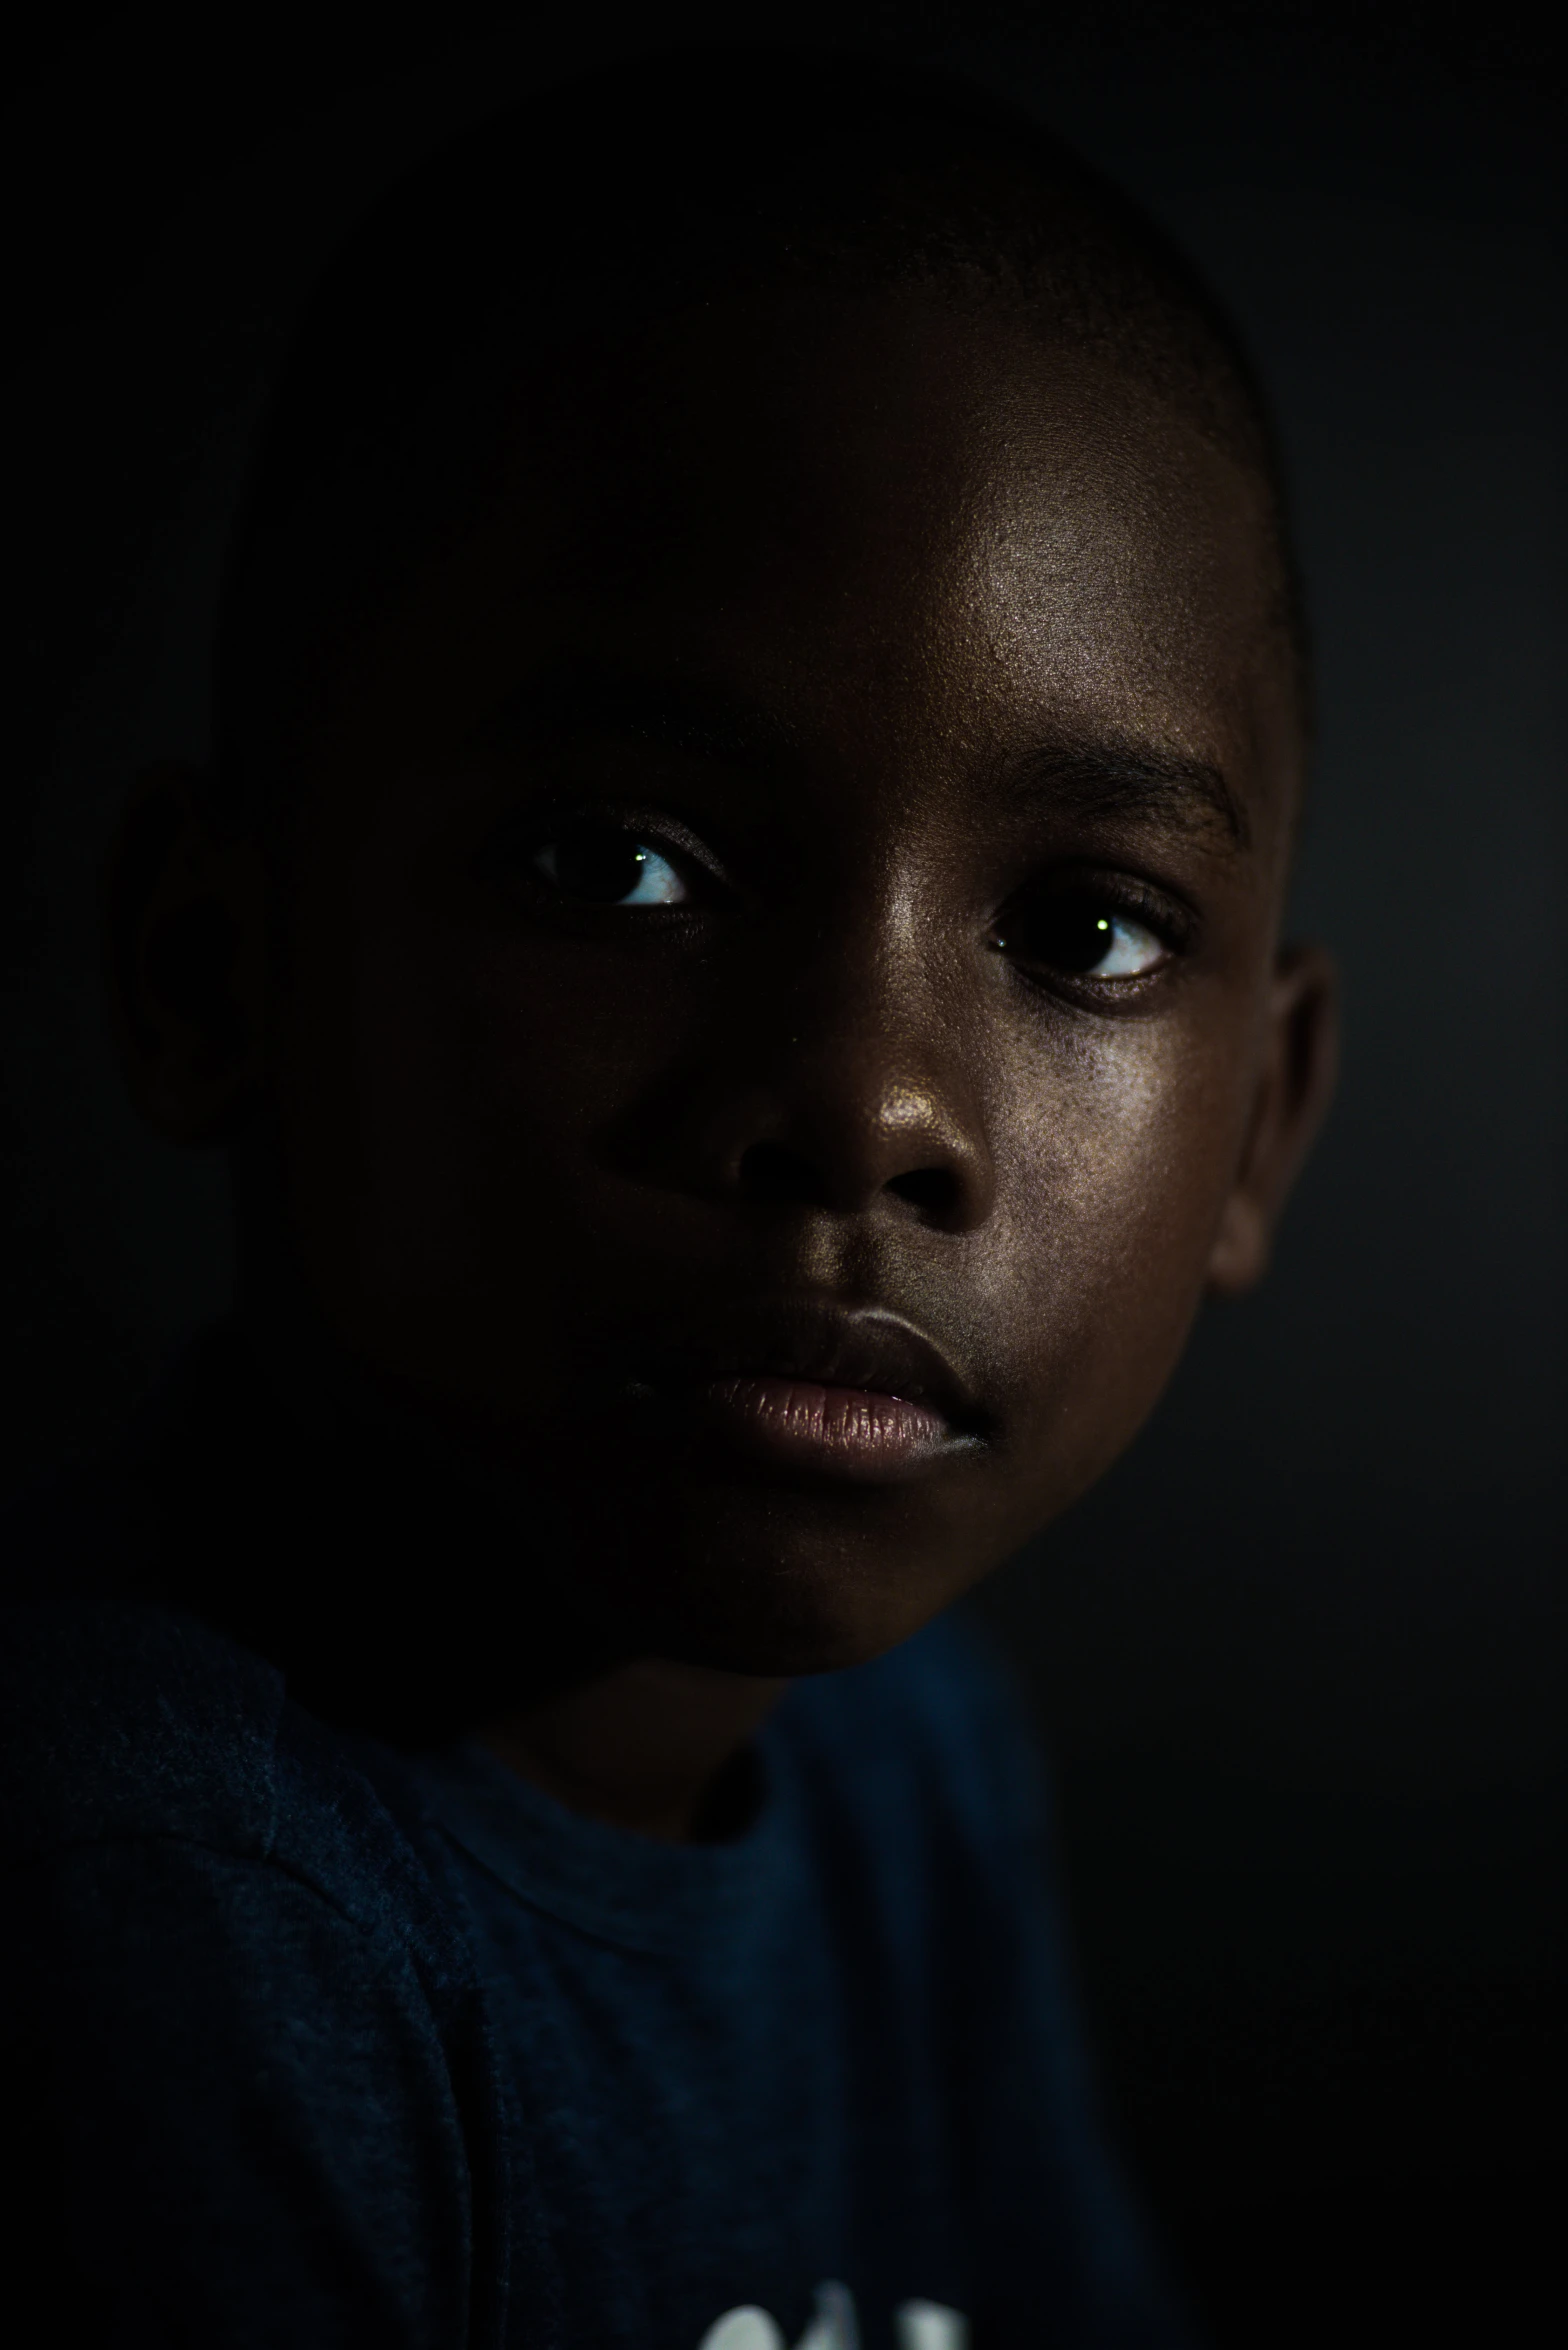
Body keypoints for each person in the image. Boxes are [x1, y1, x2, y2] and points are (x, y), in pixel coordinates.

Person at [0, 41, 1337, 2350]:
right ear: (212, 968)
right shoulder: (149, 1913)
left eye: (1087, 927)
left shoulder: (907, 1762)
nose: (869, 1102)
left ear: (1256, 1132)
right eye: (620, 864)